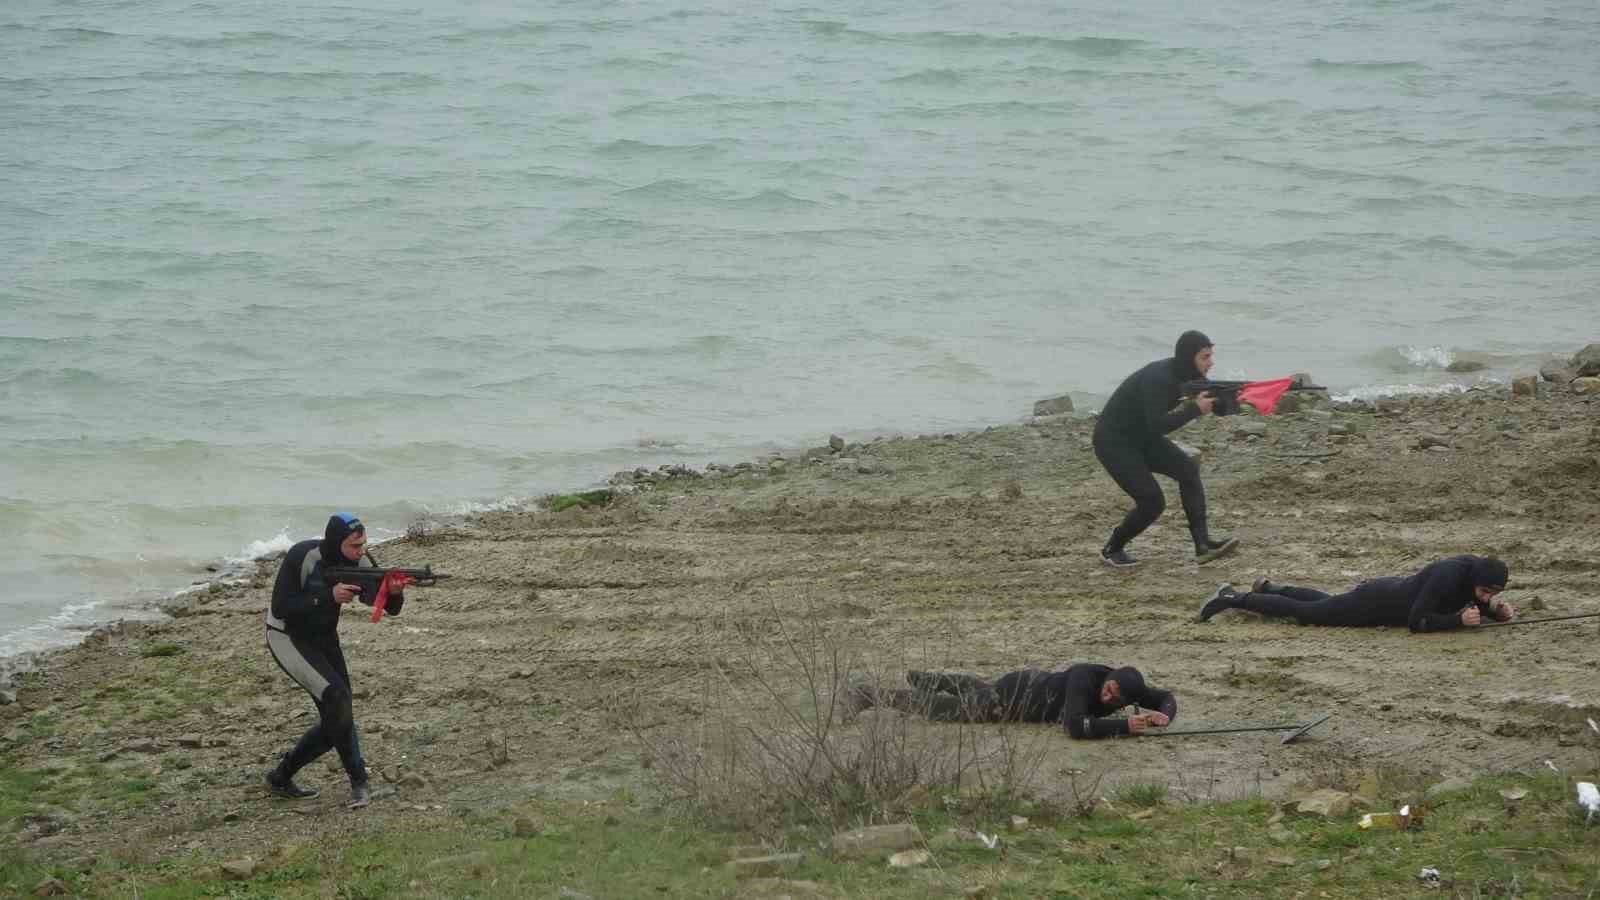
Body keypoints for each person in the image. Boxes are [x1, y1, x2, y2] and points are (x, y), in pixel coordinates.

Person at [264, 513, 402, 808]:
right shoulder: (303, 556)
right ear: (337, 543)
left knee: (339, 714)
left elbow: (390, 607)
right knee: (337, 701)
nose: (361, 551)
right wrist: (329, 595)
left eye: (364, 544)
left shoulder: (361, 561)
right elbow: (281, 607)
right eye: (354, 546)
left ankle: (281, 776)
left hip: (324, 638)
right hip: (287, 636)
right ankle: (359, 783)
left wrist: (394, 593)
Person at [1094, 330, 1238, 568]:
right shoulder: (1159, 378)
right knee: (1152, 501)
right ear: (1188, 357)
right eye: (1205, 357)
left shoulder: (1188, 375)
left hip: (1142, 437)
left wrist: (1231, 400)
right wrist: (1194, 410)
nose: (1211, 362)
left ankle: (1202, 545)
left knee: (1188, 471)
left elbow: (1219, 407)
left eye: (1211, 356)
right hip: (1114, 442)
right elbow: (1158, 424)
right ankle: (1113, 548)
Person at [1196, 554, 1514, 632]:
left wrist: (1493, 612)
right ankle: (1231, 597)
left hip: (1383, 592)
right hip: (1374, 604)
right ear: (1477, 578)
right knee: (1309, 614)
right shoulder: (1449, 574)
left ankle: (1272, 588)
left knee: (1326, 602)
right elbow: (1417, 622)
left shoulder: (1472, 575)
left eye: (1491, 594)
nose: (1484, 597)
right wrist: (1457, 622)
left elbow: (1468, 599)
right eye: (1485, 592)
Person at [852, 664, 1177, 739]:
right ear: (1108, 678)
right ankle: (869, 694)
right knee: (944, 711)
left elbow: (1165, 697)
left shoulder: (1130, 688)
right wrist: (1125, 726)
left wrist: (1164, 715)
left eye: (1114, 698)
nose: (1106, 696)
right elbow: (1076, 727)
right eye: (1108, 689)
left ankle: (927, 678)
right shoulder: (1083, 677)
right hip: (1012, 699)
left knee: (974, 691)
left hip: (1021, 685)